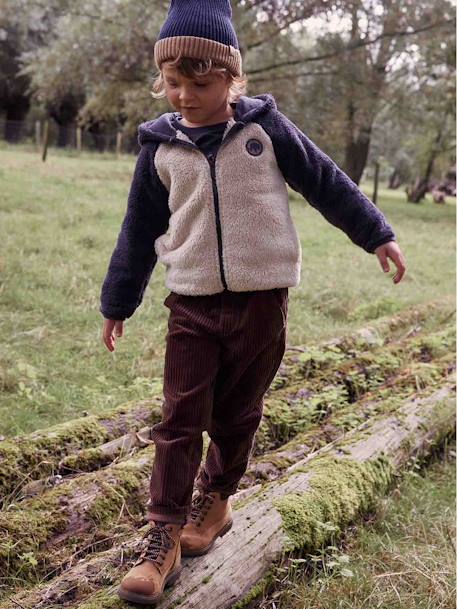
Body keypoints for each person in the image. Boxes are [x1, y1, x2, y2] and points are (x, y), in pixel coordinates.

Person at [99, 0, 406, 603]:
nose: (185, 95)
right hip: (189, 302)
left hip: (262, 302)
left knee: (238, 412)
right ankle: (162, 533)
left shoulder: (265, 130)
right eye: (173, 82)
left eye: (201, 82)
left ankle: (215, 501)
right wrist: (118, 302)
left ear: (233, 77)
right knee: (180, 417)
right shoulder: (159, 147)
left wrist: (377, 233)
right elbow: (137, 232)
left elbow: (324, 180)